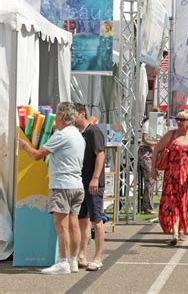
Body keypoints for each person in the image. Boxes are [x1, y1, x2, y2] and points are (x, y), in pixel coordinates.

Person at [19, 102, 85, 275]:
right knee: (74, 225)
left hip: (62, 185)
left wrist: (24, 145)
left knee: (60, 226)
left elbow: (37, 156)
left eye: (57, 115)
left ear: (62, 116)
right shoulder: (79, 136)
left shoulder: (61, 135)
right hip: (77, 185)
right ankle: (73, 261)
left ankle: (63, 262)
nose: (55, 118)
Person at [153, 110, 188, 245]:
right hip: (171, 177)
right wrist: (152, 168)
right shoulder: (171, 135)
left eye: (182, 120)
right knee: (172, 204)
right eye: (178, 119)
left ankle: (181, 229)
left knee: (185, 204)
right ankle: (175, 233)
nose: (179, 122)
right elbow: (156, 149)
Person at [74, 103, 106, 271]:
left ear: (82, 113)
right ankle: (82, 255)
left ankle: (98, 257)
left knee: (96, 219)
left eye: (74, 115)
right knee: (82, 220)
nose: (71, 118)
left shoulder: (93, 131)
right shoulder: (79, 133)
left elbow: (100, 154)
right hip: (81, 182)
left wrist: (95, 178)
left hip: (93, 183)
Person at [139, 106, 161, 214]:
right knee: (149, 179)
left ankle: (147, 205)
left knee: (152, 180)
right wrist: (157, 143)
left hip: (151, 152)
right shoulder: (148, 124)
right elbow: (145, 139)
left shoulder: (153, 125)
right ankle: (147, 207)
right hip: (145, 153)